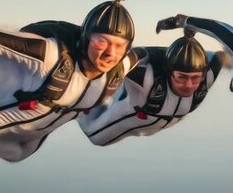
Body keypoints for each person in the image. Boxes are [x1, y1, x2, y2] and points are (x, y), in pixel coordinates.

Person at [0, 0, 140, 161]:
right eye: (101, 42)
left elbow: (145, 55)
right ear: (85, 39)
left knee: (17, 154)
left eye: (120, 46)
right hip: (1, 114)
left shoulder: (119, 70)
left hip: (30, 138)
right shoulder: (52, 56)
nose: (110, 53)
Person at [78, 29, 224, 146]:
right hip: (131, 114)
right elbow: (127, 58)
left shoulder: (208, 77)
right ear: (169, 72)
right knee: (95, 136)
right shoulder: (148, 76)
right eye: (182, 77)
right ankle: (82, 106)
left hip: (158, 121)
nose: (189, 85)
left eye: (195, 78)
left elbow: (222, 56)